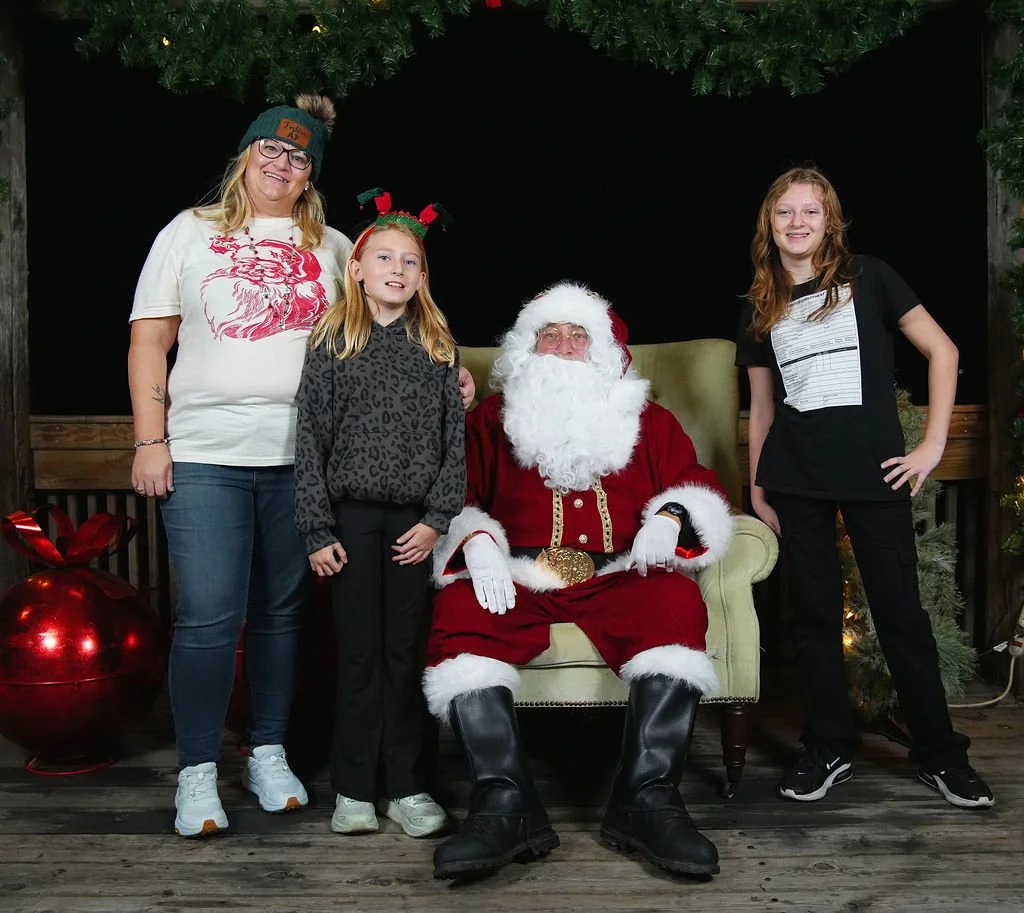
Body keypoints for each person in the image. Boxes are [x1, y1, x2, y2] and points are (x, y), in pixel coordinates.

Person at [128, 98, 476, 838]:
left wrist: (450, 374)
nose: (282, 165)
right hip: (206, 450)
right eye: (270, 150)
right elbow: (150, 341)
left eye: (299, 157)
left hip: (302, 461)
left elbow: (390, 323)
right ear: (245, 155)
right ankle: (197, 769)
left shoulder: (335, 245)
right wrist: (150, 440)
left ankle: (268, 751)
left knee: (283, 614)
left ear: (311, 175)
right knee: (209, 612)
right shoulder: (189, 232)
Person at [423, 281, 736, 880]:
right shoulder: (488, 420)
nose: (564, 346)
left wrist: (671, 517)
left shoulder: (648, 420)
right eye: (550, 334)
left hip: (621, 572)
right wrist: (476, 538)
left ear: (603, 353)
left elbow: (694, 480)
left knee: (673, 602)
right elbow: (455, 492)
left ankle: (647, 799)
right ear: (527, 348)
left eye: (578, 336)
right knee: (461, 610)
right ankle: (504, 803)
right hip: (518, 574)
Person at [736, 166, 994, 809]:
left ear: (830, 221)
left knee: (901, 616)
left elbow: (944, 352)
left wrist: (932, 444)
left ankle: (941, 755)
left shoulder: (870, 277)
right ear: (770, 225)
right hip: (794, 480)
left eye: (810, 211)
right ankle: (827, 749)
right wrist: (758, 486)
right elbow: (762, 408)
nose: (797, 223)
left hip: (875, 474)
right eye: (784, 212)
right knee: (814, 619)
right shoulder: (760, 304)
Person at [293, 189, 467, 840]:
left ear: (422, 277)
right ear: (358, 268)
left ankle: (408, 785)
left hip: (413, 525)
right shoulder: (332, 342)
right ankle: (354, 787)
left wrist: (437, 518)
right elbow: (309, 438)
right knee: (359, 653)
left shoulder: (437, 347)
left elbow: (453, 443)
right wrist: (317, 528)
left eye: (410, 261)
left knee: (404, 652)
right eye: (385, 257)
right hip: (351, 521)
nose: (397, 269)